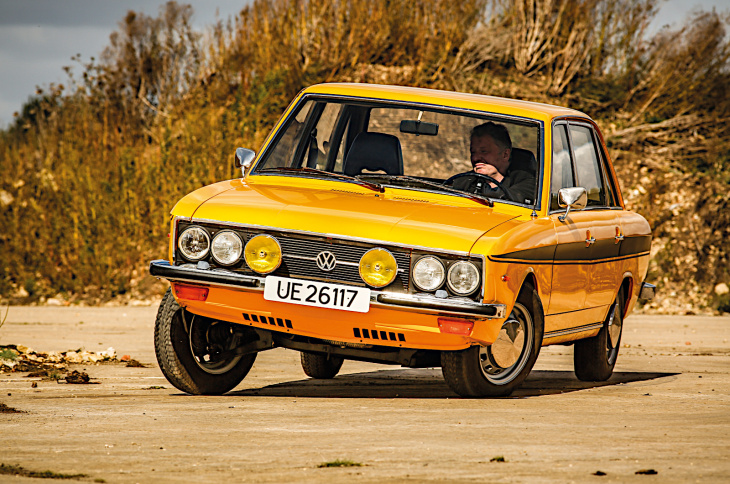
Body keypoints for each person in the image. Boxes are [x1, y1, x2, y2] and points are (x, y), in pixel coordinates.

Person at [452, 122, 536, 205]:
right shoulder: (464, 181)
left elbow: (511, 200)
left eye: (484, 151)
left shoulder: (527, 182)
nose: (475, 158)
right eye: (473, 152)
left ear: (505, 154)